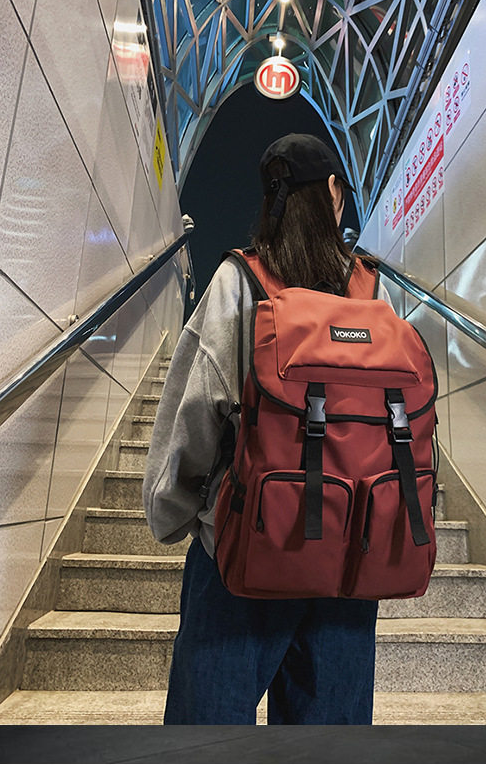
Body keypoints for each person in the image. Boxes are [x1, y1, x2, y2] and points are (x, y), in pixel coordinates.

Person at [143, 132, 395, 725]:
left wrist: (175, 514)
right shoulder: (374, 292)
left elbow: (192, 416)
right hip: (349, 555)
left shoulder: (240, 281)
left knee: (208, 734)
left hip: (246, 551)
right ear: (334, 192)